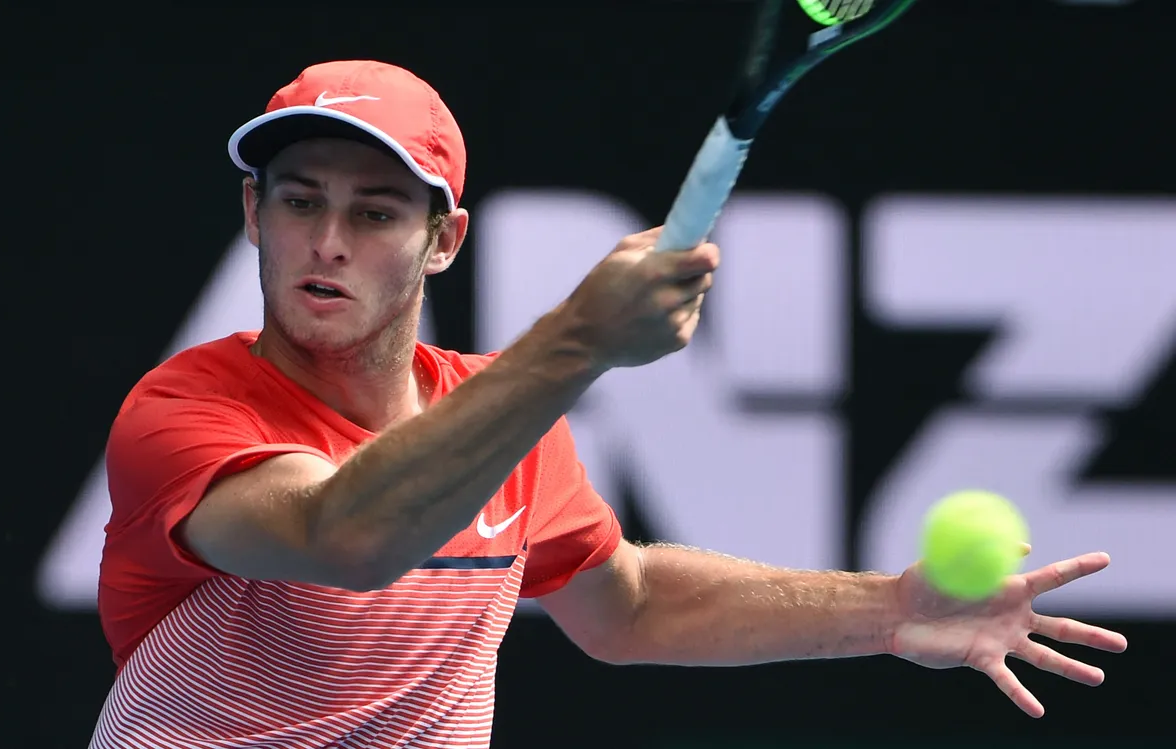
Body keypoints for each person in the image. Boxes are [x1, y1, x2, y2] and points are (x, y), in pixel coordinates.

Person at [90, 59, 1128, 749]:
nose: (327, 241)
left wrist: (890, 609)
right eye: (299, 200)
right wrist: (578, 339)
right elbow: (345, 533)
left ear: (443, 241)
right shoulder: (184, 410)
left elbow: (627, 605)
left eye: (374, 213)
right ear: (254, 212)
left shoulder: (500, 423)